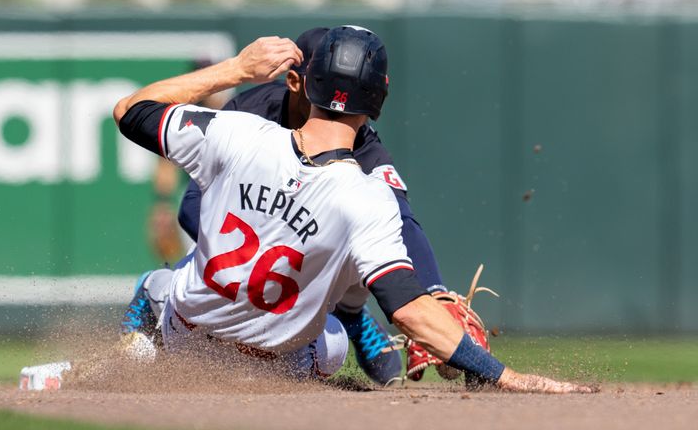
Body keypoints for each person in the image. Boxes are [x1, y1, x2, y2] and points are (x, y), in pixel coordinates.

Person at [113, 26, 594, 393]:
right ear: (379, 100)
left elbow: (130, 110)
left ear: (301, 82)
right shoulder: (368, 196)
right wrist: (505, 375)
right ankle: (342, 317)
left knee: (160, 282)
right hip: (275, 364)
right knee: (334, 339)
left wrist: (236, 68)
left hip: (185, 332)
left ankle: (135, 350)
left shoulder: (235, 131)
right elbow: (407, 309)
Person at [172, 27, 456, 385]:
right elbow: (191, 206)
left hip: (310, 266)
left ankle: (351, 314)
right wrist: (261, 254)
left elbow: (402, 221)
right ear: (295, 82)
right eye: (322, 79)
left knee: (367, 242)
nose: (337, 95)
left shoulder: (359, 136)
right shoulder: (252, 111)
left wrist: (435, 293)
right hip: (243, 254)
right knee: (167, 281)